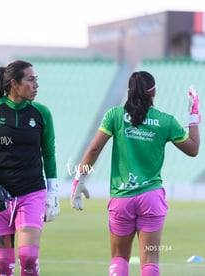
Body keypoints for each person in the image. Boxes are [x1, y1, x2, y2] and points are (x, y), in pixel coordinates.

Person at [70, 71, 201, 276]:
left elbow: (94, 149)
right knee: (150, 261)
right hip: (151, 198)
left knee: (119, 258)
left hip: (122, 198)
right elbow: (193, 149)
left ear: (129, 91)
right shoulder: (166, 121)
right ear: (153, 92)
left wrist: (80, 178)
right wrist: (193, 115)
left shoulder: (114, 115)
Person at [0, 60, 59, 276]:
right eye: (31, 80)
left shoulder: (42, 113)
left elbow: (49, 153)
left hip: (31, 193)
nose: (36, 85)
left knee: (28, 257)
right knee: (4, 266)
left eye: (37, 80)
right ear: (14, 84)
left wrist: (53, 190)